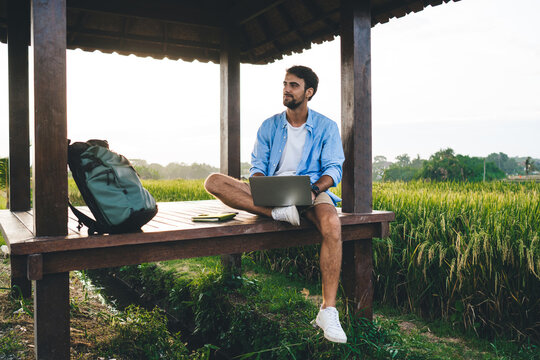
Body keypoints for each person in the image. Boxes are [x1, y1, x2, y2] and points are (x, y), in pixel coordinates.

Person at [204, 65, 347, 343]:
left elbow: (333, 169)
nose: (286, 89)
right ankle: (277, 211)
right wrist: (262, 185)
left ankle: (328, 311)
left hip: (312, 188)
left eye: (293, 85)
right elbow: (257, 167)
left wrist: (313, 190)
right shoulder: (269, 125)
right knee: (213, 181)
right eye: (284, 84)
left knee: (332, 224)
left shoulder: (326, 126)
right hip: (272, 192)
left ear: (309, 92)